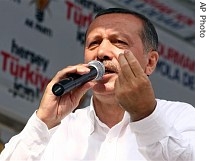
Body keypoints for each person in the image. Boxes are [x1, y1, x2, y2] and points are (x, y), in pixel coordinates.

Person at [0, 8, 194, 161]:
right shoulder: (60, 128)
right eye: (94, 43)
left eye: (118, 42)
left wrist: (145, 115)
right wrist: (43, 120)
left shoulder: (181, 117)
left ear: (150, 62)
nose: (101, 52)